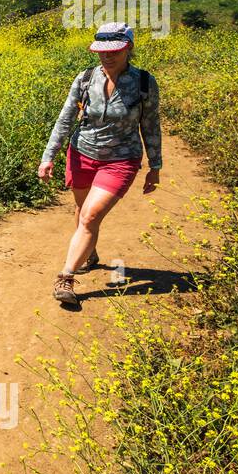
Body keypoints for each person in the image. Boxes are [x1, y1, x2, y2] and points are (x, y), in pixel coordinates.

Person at [37, 22, 162, 305]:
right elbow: (66, 118)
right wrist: (48, 157)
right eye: (101, 51)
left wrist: (155, 166)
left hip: (121, 159)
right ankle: (88, 252)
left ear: (128, 48)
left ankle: (66, 278)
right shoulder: (85, 78)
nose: (106, 56)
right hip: (81, 154)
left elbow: (151, 124)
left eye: (114, 51)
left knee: (91, 216)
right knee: (82, 211)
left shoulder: (144, 83)